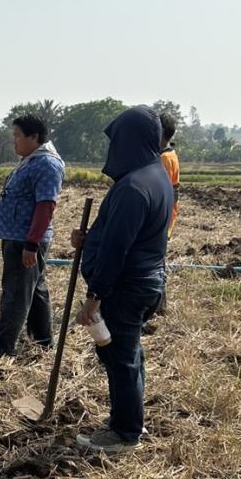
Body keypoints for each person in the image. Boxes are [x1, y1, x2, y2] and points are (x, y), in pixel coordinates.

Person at [71, 105, 174, 454]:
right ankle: (129, 419)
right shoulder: (155, 175)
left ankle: (125, 433)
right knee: (129, 353)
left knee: (120, 356)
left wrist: (94, 297)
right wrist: (90, 240)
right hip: (146, 280)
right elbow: (125, 233)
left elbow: (117, 249)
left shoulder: (133, 186)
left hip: (126, 287)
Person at [0, 113, 65, 359]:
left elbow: (45, 207)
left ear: (34, 137)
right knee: (34, 290)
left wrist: (31, 244)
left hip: (25, 240)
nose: (14, 142)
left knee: (14, 293)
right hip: (17, 236)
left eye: (17, 136)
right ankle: (43, 341)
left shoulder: (47, 164)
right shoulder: (30, 160)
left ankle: (2, 347)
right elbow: (14, 197)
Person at [156, 111, 181, 316]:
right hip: (168, 218)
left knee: (157, 262)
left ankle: (158, 304)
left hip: (161, 221)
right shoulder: (171, 155)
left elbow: (160, 193)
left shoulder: (164, 159)